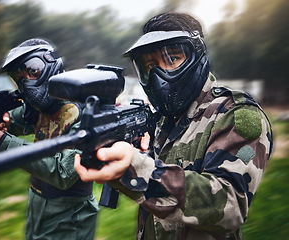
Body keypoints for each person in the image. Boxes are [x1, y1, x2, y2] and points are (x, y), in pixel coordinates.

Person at [74, 12, 273, 239]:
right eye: (149, 66)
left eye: (172, 59)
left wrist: (138, 168)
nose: (158, 75)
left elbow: (229, 207)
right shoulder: (162, 117)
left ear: (196, 56)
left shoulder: (235, 114)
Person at [0, 38, 99, 240]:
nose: (26, 83)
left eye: (32, 71)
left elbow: (63, 174)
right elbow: (9, 121)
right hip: (38, 207)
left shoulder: (85, 111)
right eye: (19, 78)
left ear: (50, 64)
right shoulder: (40, 108)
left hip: (71, 216)